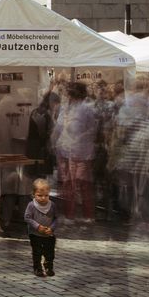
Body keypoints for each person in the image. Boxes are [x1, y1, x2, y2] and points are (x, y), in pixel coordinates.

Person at [52, 82, 99, 223]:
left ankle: (88, 215)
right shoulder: (65, 109)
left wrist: (81, 136)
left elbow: (93, 129)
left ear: (73, 94)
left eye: (66, 93)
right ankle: (69, 215)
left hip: (82, 151)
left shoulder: (86, 109)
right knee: (67, 184)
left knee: (83, 183)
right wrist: (53, 142)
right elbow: (59, 128)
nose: (64, 96)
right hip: (65, 149)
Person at [24, 178, 58, 277]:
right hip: (35, 234)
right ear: (33, 194)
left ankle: (48, 267)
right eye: (40, 195)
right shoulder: (31, 205)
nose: (43, 198)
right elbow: (27, 217)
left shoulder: (52, 205)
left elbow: (56, 218)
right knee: (37, 252)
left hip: (49, 234)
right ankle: (37, 268)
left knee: (50, 252)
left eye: (46, 195)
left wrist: (51, 228)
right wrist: (37, 226)